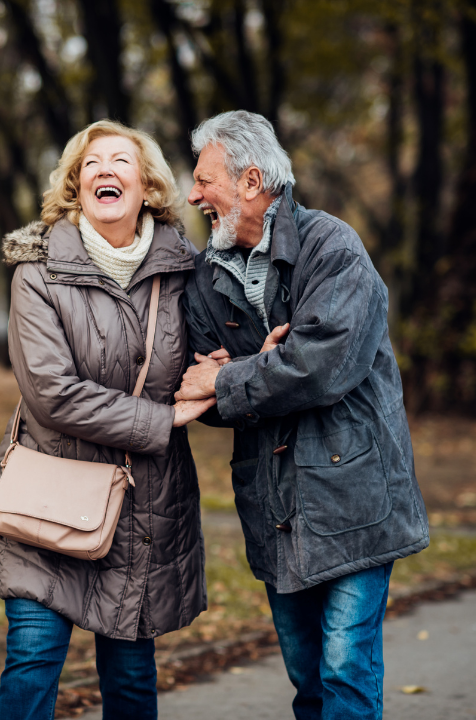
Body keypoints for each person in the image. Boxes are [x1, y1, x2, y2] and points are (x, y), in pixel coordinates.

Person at [174, 110, 430, 720]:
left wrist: (235, 375)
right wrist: (249, 375)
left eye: (204, 178)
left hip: (354, 501)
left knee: (345, 675)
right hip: (275, 510)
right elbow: (201, 392)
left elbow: (321, 369)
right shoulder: (208, 278)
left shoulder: (332, 247)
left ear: (251, 182)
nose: (192, 194)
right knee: (307, 683)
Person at [0, 120, 214, 720]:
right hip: (51, 498)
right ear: (75, 186)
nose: (104, 170)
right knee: (34, 659)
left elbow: (211, 360)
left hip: (142, 504)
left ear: (147, 187)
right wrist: (161, 420)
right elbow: (52, 394)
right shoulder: (37, 272)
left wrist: (238, 369)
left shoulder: (184, 272)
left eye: (121, 161)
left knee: (132, 675)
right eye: (90, 164)